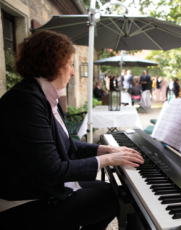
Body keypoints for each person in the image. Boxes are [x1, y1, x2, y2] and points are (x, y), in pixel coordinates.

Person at [0, 30, 144, 230]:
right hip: (29, 202)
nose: (73, 71)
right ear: (52, 64)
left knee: (113, 191)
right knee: (124, 198)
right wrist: (108, 160)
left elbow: (66, 144)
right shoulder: (25, 101)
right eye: (69, 63)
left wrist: (106, 150)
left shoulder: (45, 95)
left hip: (47, 189)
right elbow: (52, 170)